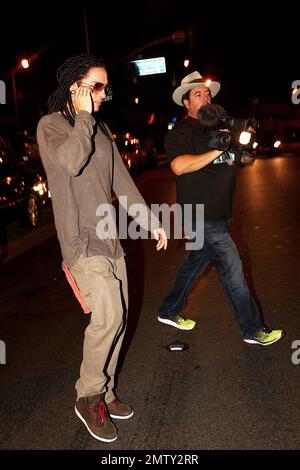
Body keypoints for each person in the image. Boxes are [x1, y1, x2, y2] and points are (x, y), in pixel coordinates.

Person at [37, 53, 167, 443]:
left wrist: (150, 221)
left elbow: (122, 183)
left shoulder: (101, 130)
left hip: (111, 240)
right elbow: (71, 163)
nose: (102, 94)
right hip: (81, 243)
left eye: (104, 88)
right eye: (95, 86)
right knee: (108, 316)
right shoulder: (52, 127)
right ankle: (88, 394)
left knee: (121, 318)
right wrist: (83, 118)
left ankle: (106, 394)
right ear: (74, 88)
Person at [157, 70, 284, 346]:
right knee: (232, 267)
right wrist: (217, 150)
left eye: (208, 93)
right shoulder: (181, 132)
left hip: (218, 213)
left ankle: (168, 309)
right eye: (198, 94)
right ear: (186, 104)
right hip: (198, 214)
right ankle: (253, 329)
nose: (206, 97)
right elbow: (179, 166)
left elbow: (241, 161)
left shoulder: (218, 130)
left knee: (195, 262)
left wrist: (247, 152)